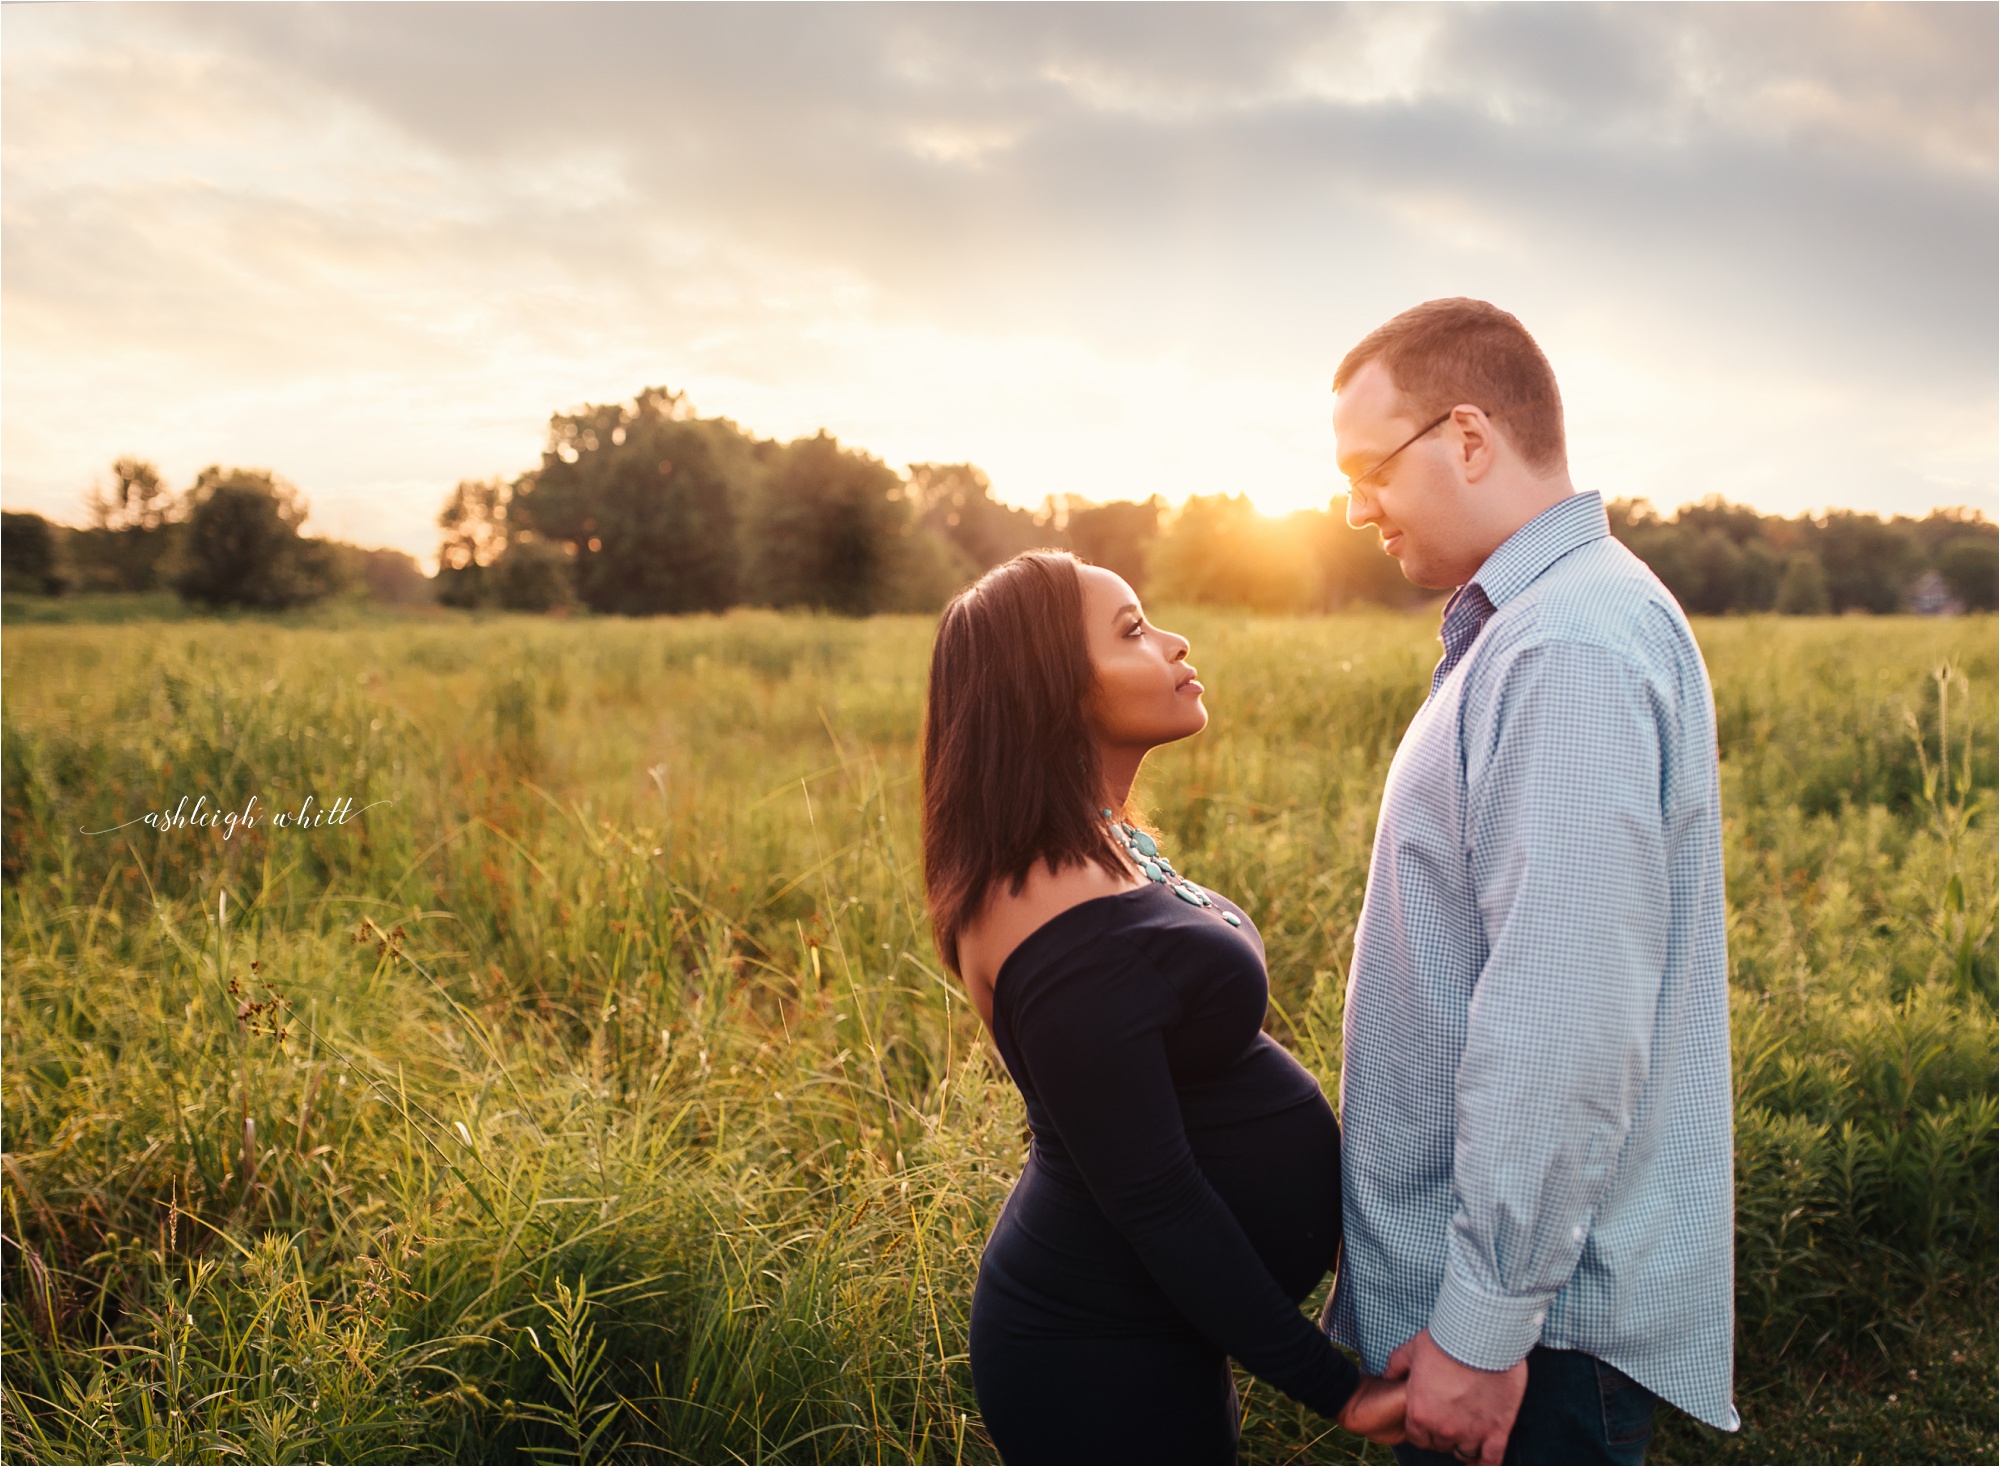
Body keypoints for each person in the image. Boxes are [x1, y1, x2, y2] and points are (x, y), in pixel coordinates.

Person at [1320, 298, 1739, 1465]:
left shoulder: (1565, 648)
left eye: (1367, 469)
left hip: (1529, 1346)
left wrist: (1482, 1326)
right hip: (1517, 1329)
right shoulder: (1546, 626)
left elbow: (1560, 1019)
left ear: (1465, 439)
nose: (1354, 507)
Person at [921, 550, 1405, 1464]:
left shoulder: (1095, 843)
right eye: (1133, 631)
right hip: (1095, 1355)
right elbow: (1158, 1201)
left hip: (1151, 1328)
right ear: (1052, 690)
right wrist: (1338, 1390)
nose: (1176, 642)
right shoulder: (1052, 920)